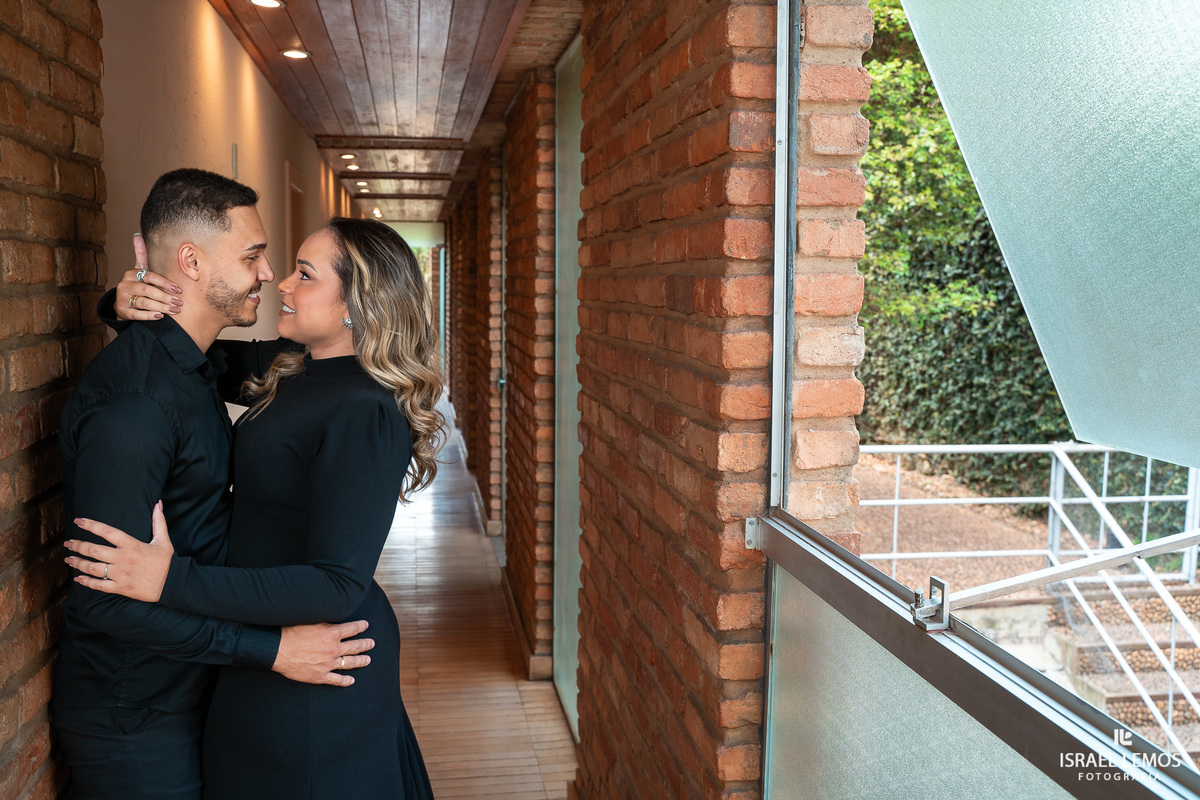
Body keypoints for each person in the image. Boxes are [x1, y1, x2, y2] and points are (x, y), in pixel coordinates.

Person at [64, 217, 443, 799]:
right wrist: (120, 306)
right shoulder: (296, 367)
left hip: (318, 663)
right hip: (267, 650)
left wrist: (169, 580)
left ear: (356, 304)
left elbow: (338, 584)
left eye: (304, 274)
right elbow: (193, 352)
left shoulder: (366, 409)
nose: (282, 284)